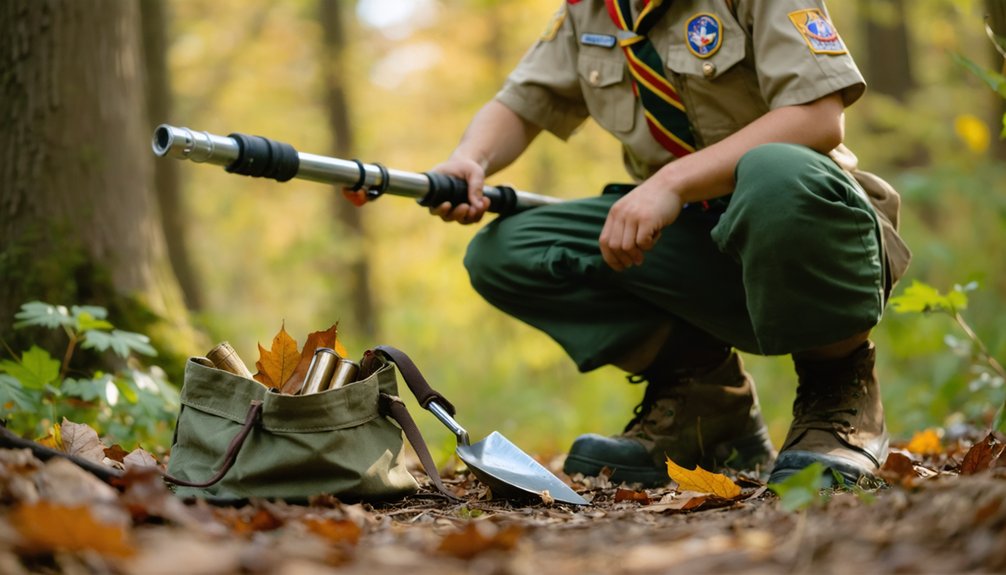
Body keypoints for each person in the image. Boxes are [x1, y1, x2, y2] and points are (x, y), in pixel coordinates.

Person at [382, 0, 911, 486]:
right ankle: (707, 402)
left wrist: (671, 182)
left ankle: (839, 391)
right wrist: (470, 159)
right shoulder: (594, 11)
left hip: (811, 227)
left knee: (774, 175)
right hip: (689, 237)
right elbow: (526, 101)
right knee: (509, 249)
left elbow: (819, 116)